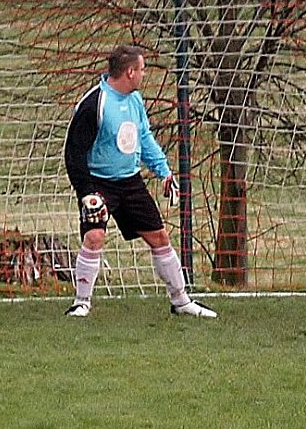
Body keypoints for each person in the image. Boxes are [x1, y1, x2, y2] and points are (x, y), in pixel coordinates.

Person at [63, 44, 217, 318]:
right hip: (98, 184)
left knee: (159, 237)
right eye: (142, 69)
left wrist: (164, 171)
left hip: (130, 182)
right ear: (130, 72)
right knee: (94, 236)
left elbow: (144, 138)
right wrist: (86, 192)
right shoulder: (94, 104)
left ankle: (181, 301)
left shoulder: (134, 100)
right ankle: (81, 302)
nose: (145, 74)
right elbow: (74, 152)